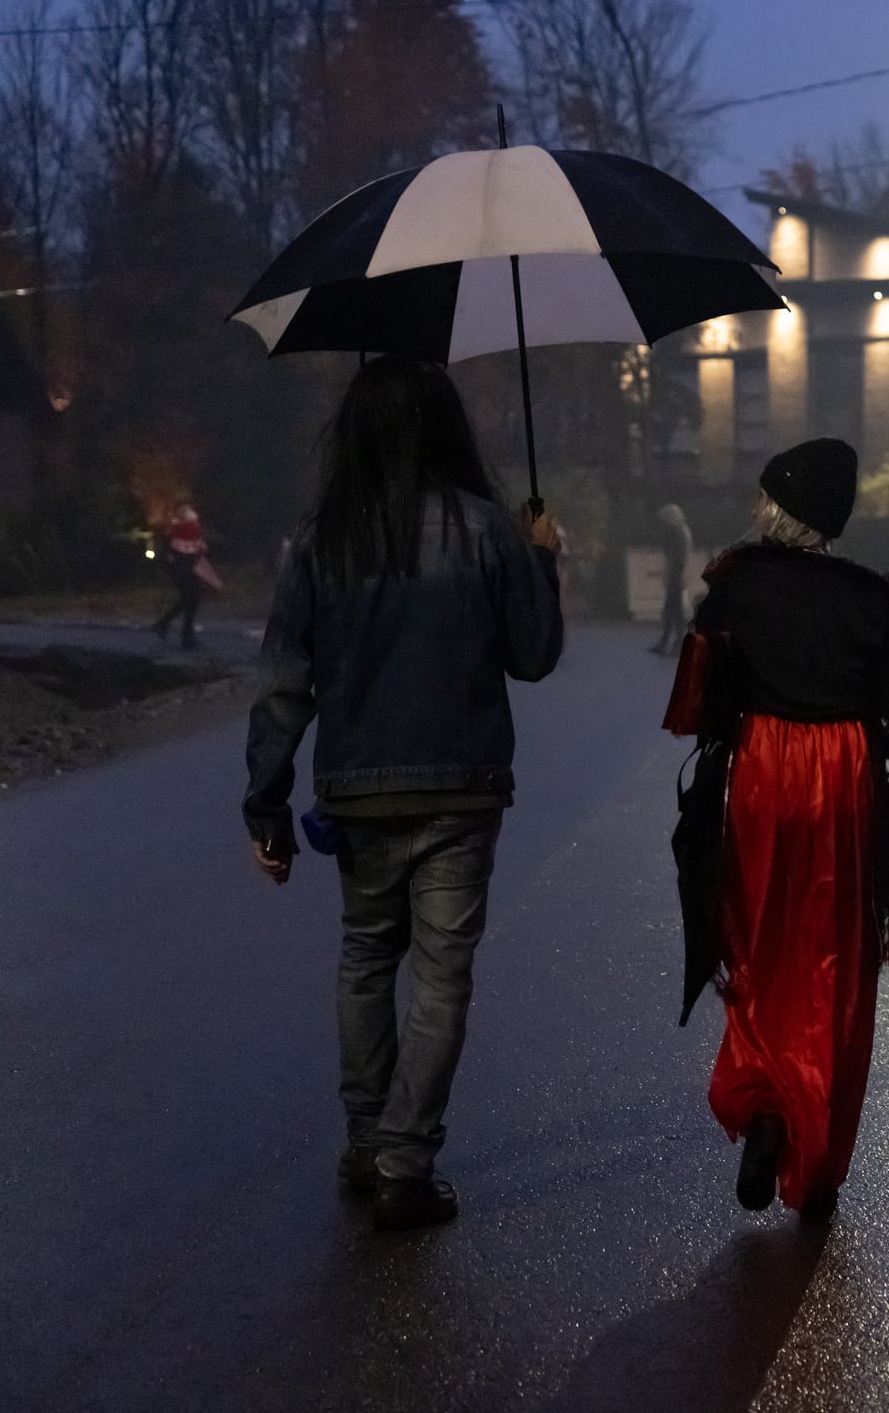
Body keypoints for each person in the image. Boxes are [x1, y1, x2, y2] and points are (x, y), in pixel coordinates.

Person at [242, 356, 563, 1233]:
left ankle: (363, 1143)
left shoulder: (323, 540)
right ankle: (406, 1163)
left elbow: (282, 684)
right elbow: (534, 656)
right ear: (443, 429)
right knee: (442, 974)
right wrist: (543, 563)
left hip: (358, 792)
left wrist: (264, 803)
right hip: (462, 789)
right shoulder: (488, 530)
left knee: (366, 957)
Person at [693, 438, 889, 1220]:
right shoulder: (868, 597)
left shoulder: (737, 580)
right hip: (841, 777)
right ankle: (814, 1157)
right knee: (833, 957)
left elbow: (703, 686)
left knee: (759, 939)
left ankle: (762, 1100)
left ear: (777, 507)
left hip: (761, 767)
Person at [151, 501, 210, 649]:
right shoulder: (183, 529)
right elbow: (196, 545)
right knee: (192, 598)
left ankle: (167, 625)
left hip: (183, 568)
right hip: (182, 568)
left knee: (191, 599)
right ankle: (183, 634)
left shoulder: (180, 528)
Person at [649, 503, 694, 656]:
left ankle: (672, 643)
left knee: (672, 611)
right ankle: (673, 642)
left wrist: (671, 576)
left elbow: (675, 558)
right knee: (675, 611)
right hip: (678, 575)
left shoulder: (677, 533)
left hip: (676, 576)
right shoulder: (683, 531)